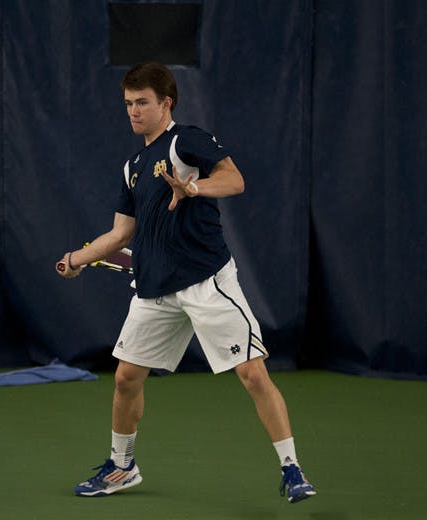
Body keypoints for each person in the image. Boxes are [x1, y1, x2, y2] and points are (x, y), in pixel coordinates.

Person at [55, 62, 315, 504]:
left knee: (252, 373)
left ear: (165, 103)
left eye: (142, 103)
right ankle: (122, 466)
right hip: (156, 288)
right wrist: (76, 258)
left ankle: (292, 470)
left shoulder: (186, 140)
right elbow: (120, 235)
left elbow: (235, 180)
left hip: (206, 281)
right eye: (128, 104)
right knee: (125, 379)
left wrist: (193, 189)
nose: (133, 112)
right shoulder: (132, 167)